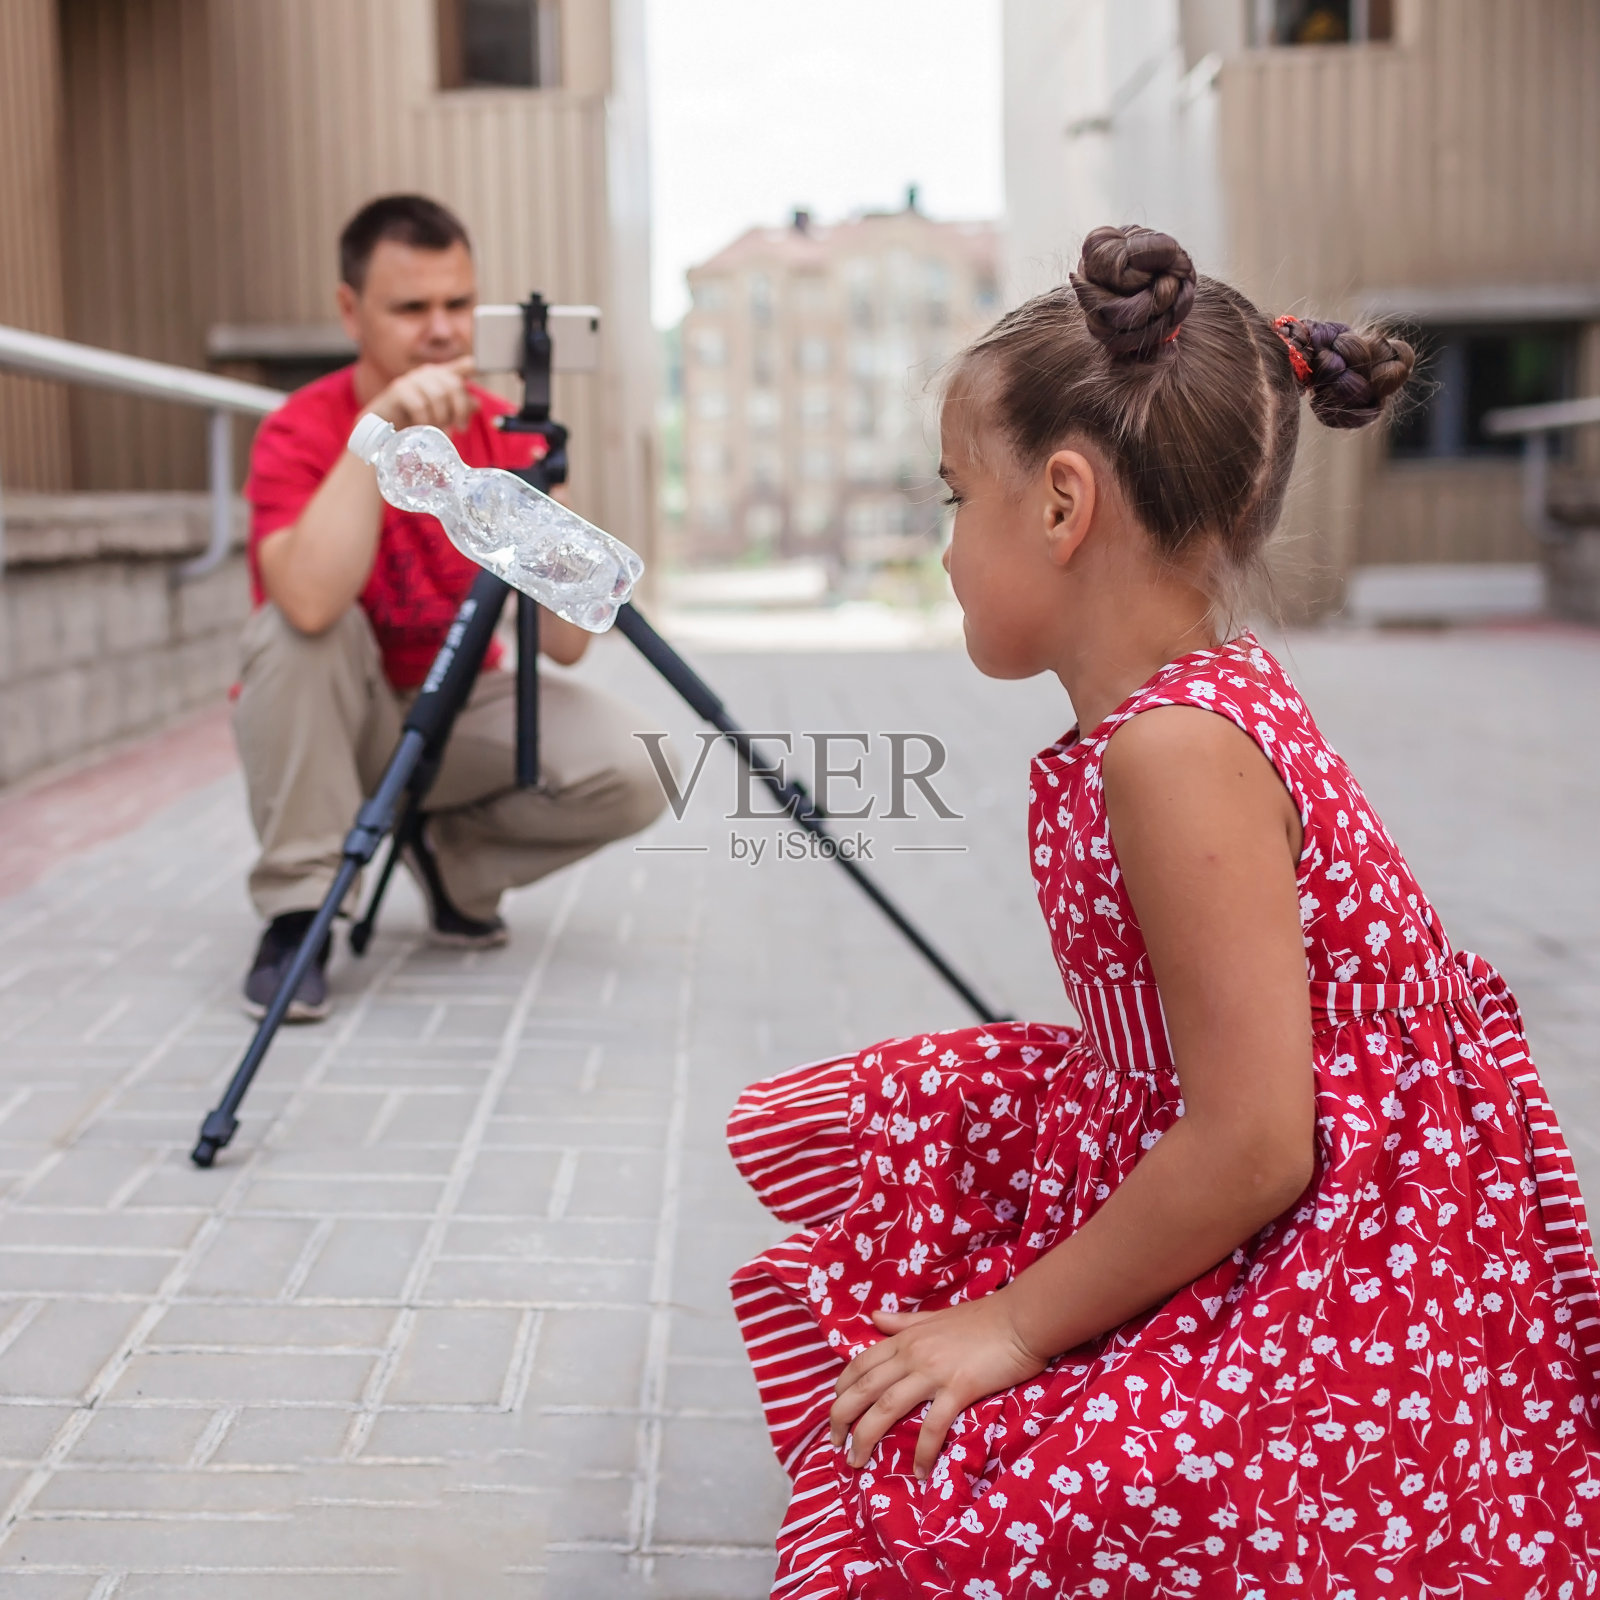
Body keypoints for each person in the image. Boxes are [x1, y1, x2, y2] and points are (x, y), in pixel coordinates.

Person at [726, 226, 1600, 1596]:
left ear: (1064, 505)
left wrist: (1013, 1325)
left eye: (957, 496)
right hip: (1264, 1150)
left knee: (1007, 1497)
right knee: (930, 1158)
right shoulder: (1171, 713)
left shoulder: (1173, 750)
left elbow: (1259, 1145)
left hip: (1355, 1253)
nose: (947, 543)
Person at [235, 194, 665, 1020]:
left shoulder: (504, 430)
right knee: (291, 636)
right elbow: (312, 602)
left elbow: (570, 647)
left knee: (643, 763)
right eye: (410, 308)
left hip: (459, 709)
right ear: (350, 310)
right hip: (335, 727)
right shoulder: (299, 430)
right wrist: (380, 428)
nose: (440, 330)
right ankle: (301, 913)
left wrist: (552, 500)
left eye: (458, 304)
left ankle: (451, 859)